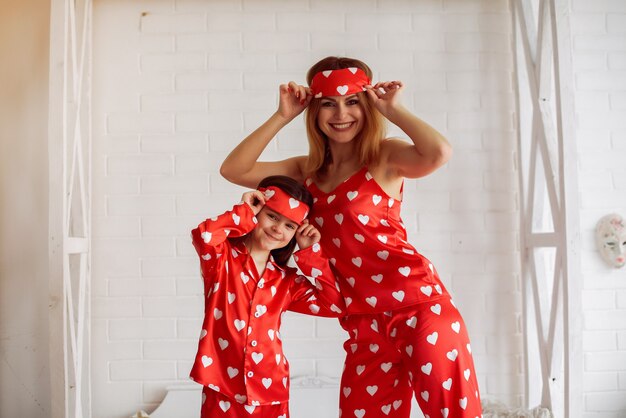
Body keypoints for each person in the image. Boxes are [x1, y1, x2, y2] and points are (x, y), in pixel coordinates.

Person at [220, 56, 482, 418]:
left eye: (352, 101)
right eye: (328, 103)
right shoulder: (305, 171)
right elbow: (234, 169)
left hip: (420, 309)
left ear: (367, 104)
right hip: (362, 322)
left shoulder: (384, 156)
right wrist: (282, 115)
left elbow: (439, 152)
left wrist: (394, 109)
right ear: (313, 109)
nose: (340, 113)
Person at [189, 175, 345, 418]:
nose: (277, 229)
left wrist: (311, 253)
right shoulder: (222, 260)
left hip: (271, 388)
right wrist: (244, 211)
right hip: (222, 386)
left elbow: (333, 304)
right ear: (258, 212)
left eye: (289, 226)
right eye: (272, 216)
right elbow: (205, 235)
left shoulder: (287, 281)